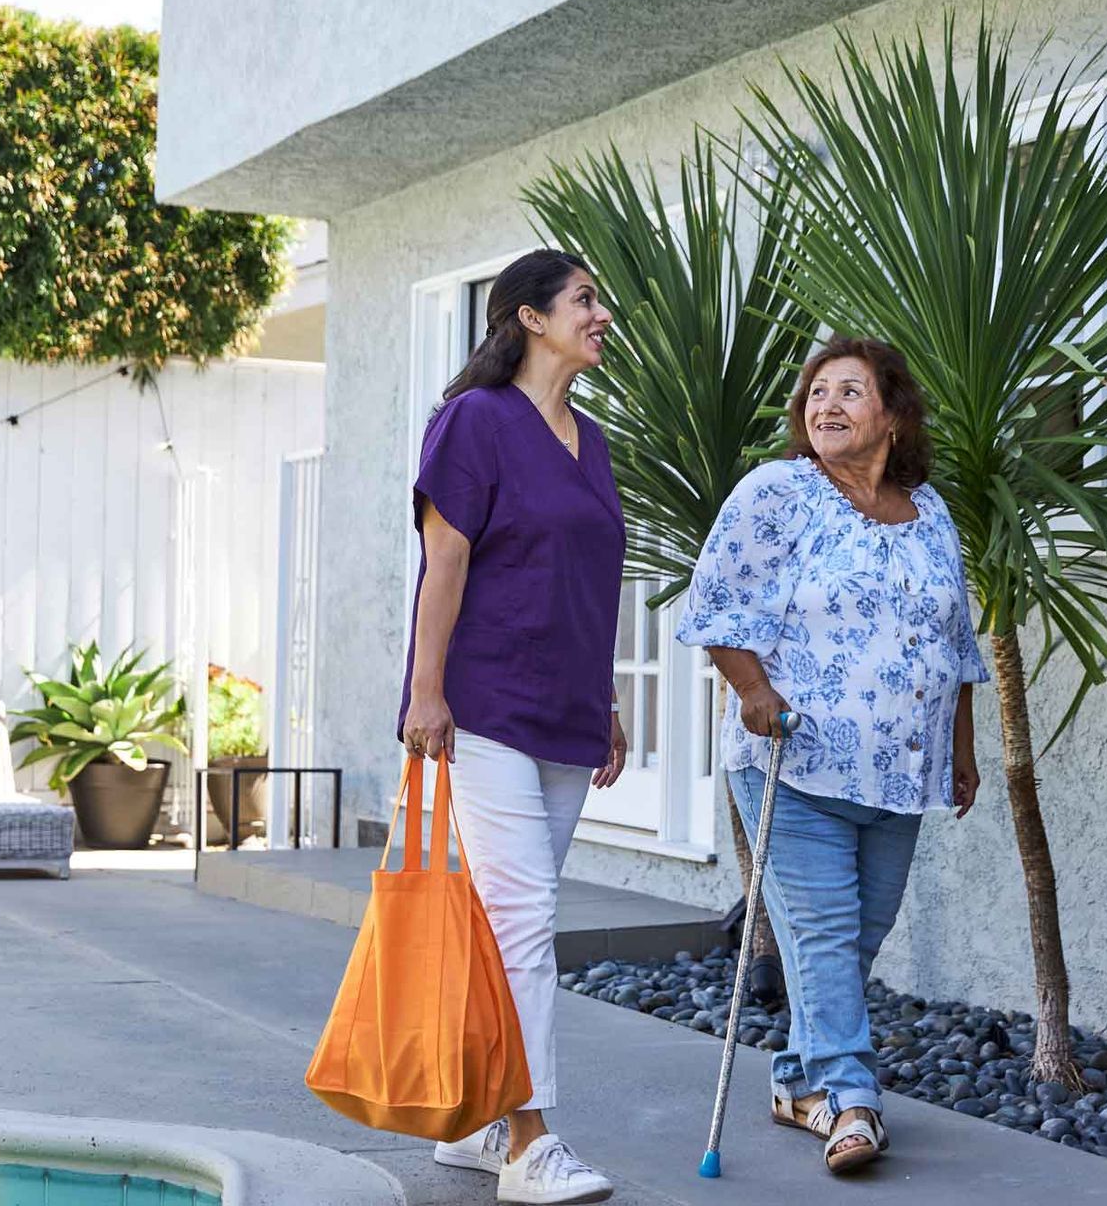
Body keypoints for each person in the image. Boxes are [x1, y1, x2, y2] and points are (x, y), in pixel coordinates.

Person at [677, 335, 988, 1175]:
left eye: (849, 391)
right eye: (816, 393)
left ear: (894, 415)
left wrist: (960, 748)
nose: (827, 405)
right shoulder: (778, 492)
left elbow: (954, 640)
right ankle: (853, 1102)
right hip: (796, 764)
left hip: (901, 773)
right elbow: (719, 603)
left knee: (855, 943)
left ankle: (795, 1082)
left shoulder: (929, 511)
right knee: (821, 938)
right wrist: (751, 689)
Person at [400, 248, 627, 1205]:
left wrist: (604, 698)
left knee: (507, 928)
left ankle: (480, 1120)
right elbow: (444, 563)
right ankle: (530, 1143)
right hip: (485, 704)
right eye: (585, 300)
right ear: (531, 317)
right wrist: (426, 691)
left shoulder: (592, 440)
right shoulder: (476, 421)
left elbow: (588, 580)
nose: (602, 315)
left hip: (567, 713)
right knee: (526, 917)